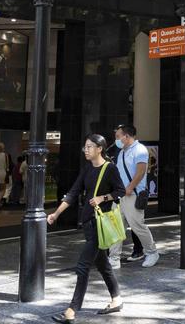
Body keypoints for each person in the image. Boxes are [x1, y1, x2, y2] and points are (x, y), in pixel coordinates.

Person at [46, 134, 125, 323]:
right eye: (85, 147)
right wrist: (56, 214)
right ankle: (116, 299)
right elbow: (73, 193)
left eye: (90, 146)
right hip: (88, 224)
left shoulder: (110, 169)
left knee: (82, 267)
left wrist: (102, 198)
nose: (86, 150)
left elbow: (120, 191)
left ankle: (72, 311)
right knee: (103, 265)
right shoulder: (87, 169)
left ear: (100, 148)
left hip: (100, 225)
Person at [108, 124, 159, 268]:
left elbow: (141, 172)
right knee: (115, 226)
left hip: (132, 195)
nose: (116, 139)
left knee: (137, 226)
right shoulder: (123, 151)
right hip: (121, 195)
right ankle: (114, 258)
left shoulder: (140, 150)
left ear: (127, 136)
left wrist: (129, 188)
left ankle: (152, 252)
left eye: (118, 136)